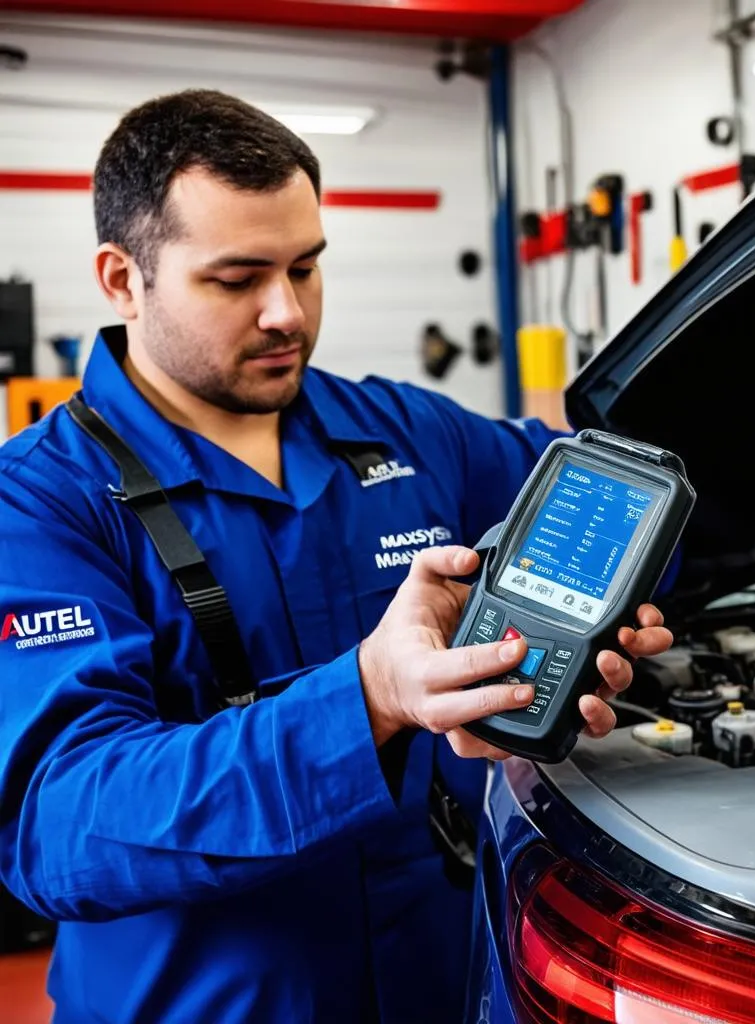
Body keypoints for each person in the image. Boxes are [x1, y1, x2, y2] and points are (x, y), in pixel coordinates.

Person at [0, 90, 674, 1023]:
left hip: (447, 985)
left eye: (307, 268)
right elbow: (64, 824)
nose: (287, 312)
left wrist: (611, 599)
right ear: (122, 279)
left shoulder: (402, 429)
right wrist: (370, 699)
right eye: (238, 280)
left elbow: (618, 506)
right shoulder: (38, 501)